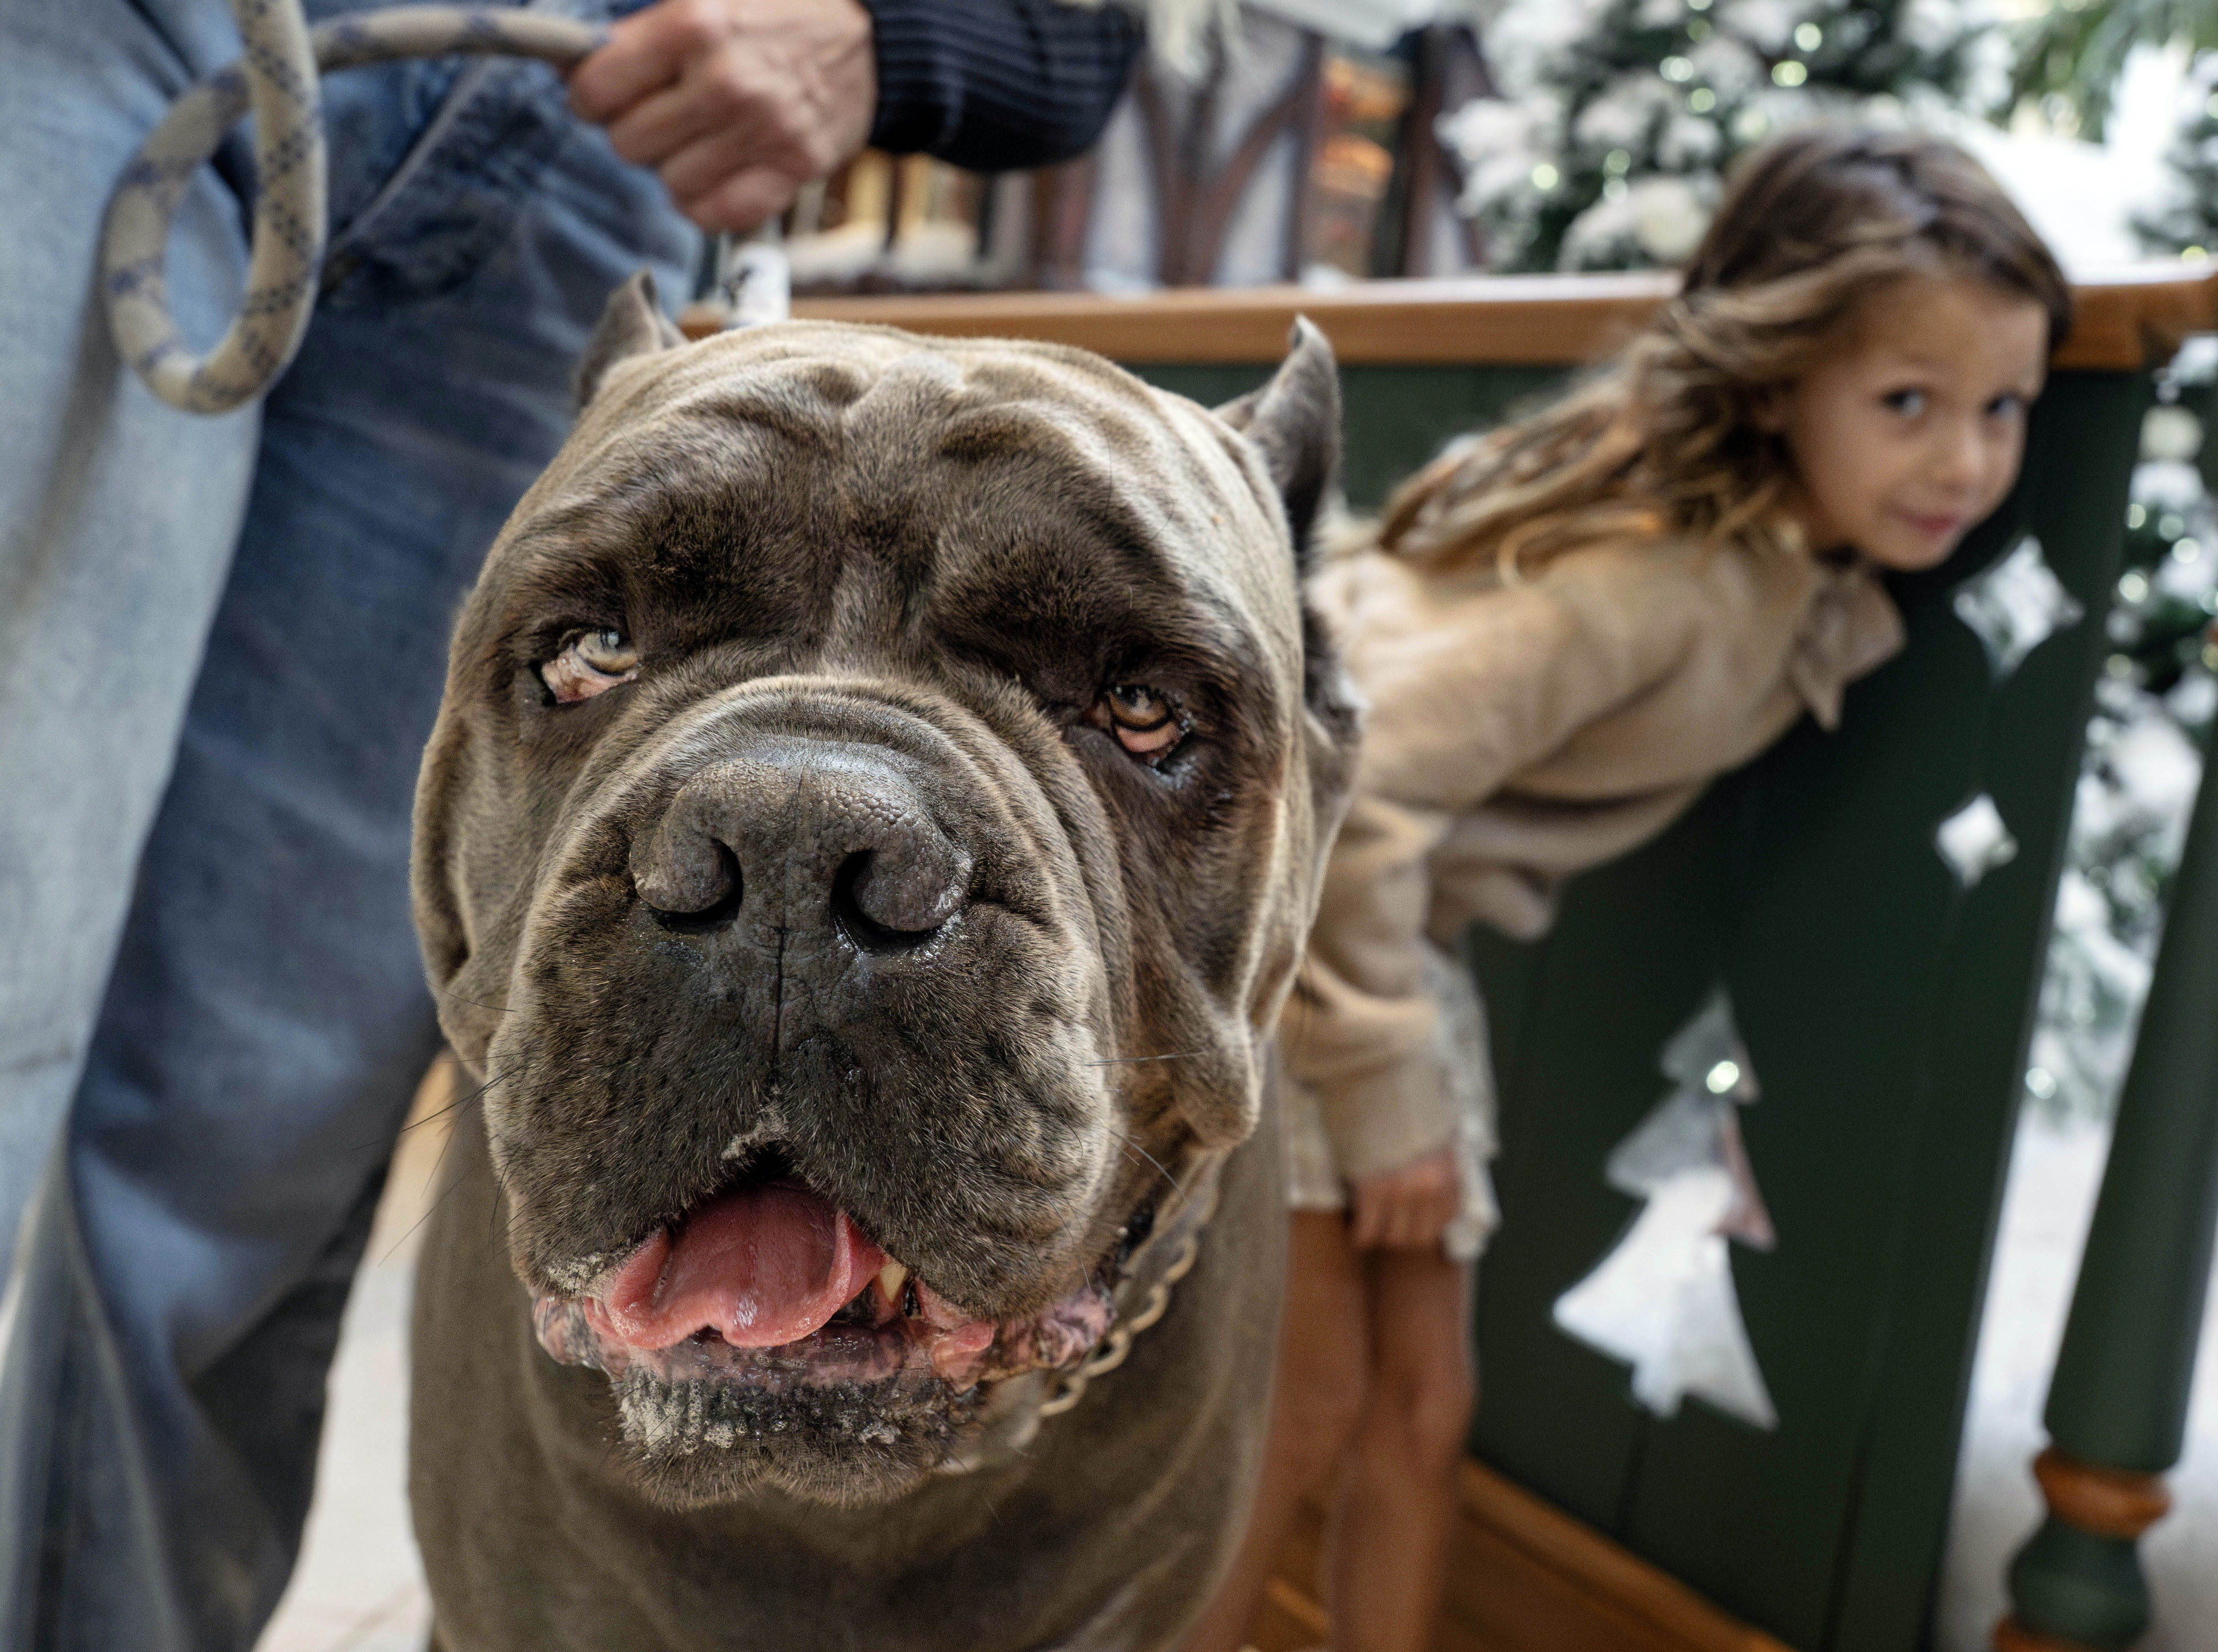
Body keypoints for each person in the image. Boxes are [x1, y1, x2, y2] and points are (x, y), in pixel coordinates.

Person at [0, 3, 1140, 1646]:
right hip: (95, 36)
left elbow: (1095, 34)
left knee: (229, 1168)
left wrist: (884, 37)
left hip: (589, 142)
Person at [1184, 126, 2073, 1652]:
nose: (1968, 465)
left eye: (2006, 409)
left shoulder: (1764, 557)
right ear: (1780, 375)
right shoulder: (1656, 578)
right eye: (1910, 404)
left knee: (1420, 1405)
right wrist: (1388, 1089)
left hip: (1378, 947)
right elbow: (1345, 776)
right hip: (1283, 933)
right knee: (1316, 1400)